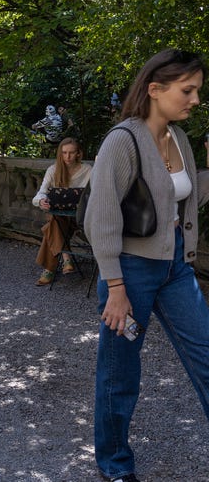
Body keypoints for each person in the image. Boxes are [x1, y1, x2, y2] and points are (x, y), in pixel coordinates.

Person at [84, 49, 209, 482]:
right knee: (119, 375)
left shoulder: (180, 138)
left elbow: (181, 197)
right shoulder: (123, 139)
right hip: (129, 271)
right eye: (187, 90)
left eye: (197, 91)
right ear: (155, 90)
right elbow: (100, 219)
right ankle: (115, 466)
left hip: (175, 265)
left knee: (206, 353)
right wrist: (115, 288)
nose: (195, 99)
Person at [31, 138, 91, 285]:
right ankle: (66, 259)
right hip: (60, 216)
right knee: (55, 220)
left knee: (52, 225)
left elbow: (95, 194)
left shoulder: (88, 170)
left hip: (81, 217)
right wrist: (41, 201)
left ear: (78, 154)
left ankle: (50, 269)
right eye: (64, 153)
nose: (67, 157)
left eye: (71, 153)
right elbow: (40, 194)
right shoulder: (53, 170)